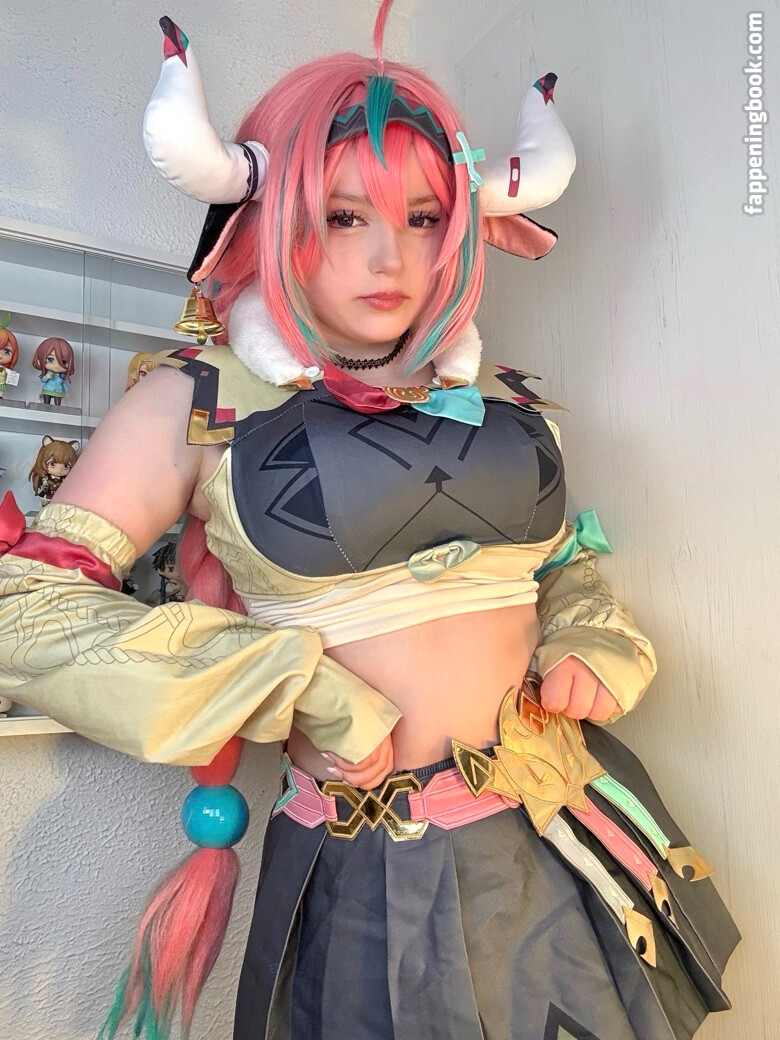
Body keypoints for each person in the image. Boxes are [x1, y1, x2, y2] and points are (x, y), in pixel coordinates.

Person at [0, 4, 739, 1039]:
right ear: (273, 219)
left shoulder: (503, 398)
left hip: (571, 828)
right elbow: (25, 608)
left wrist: (588, 632)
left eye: (424, 217)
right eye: (345, 217)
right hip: (375, 871)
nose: (390, 257)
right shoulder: (198, 397)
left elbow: (553, 564)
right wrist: (286, 678)